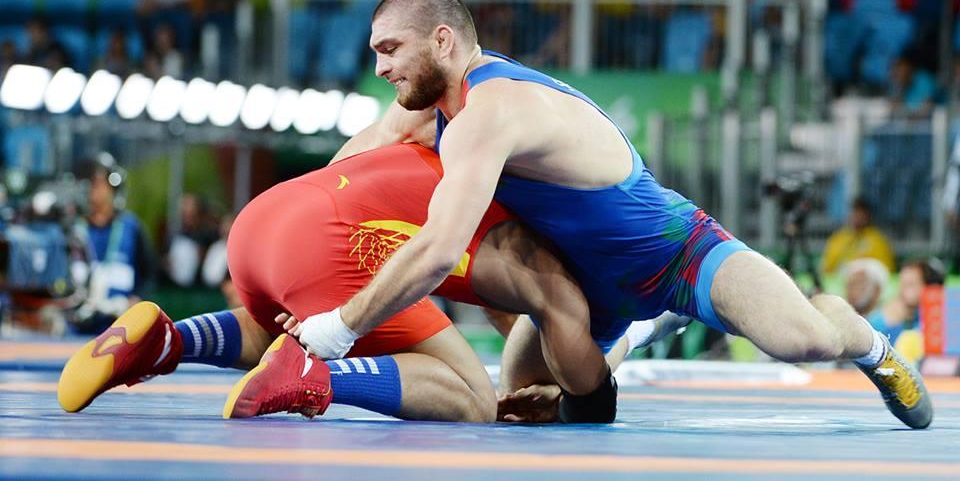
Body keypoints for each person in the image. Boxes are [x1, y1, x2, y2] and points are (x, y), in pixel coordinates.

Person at [296, 0, 933, 429]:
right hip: (588, 289)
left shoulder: (494, 110)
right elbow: (341, 176)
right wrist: (289, 238)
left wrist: (338, 327)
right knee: (524, 395)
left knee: (805, 342)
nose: (378, 66)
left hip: (679, 254)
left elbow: (437, 250)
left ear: (441, 41)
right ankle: (637, 326)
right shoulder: (426, 112)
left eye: (388, 50)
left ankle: (869, 344)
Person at [57, 143, 682, 422]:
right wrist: (636, 334)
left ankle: (167, 341)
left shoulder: (452, 147)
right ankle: (316, 375)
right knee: (470, 398)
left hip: (261, 223)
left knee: (291, 318)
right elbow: (538, 352)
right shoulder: (536, 238)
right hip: (333, 244)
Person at [68, 153, 155, 334]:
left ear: (113, 187)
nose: (93, 191)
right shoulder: (71, 228)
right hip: (76, 324)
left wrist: (138, 299)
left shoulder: (132, 227)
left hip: (120, 325)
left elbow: (150, 273)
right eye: (89, 185)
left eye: (99, 184)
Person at [868, 258, 945, 345]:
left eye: (911, 284)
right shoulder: (881, 318)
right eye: (902, 283)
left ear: (932, 288)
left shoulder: (944, 319)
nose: (902, 291)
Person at [822, 196, 896, 275]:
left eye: (861, 214)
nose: (857, 218)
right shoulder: (838, 239)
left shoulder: (878, 241)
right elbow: (827, 268)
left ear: (868, 216)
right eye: (855, 213)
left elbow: (887, 270)